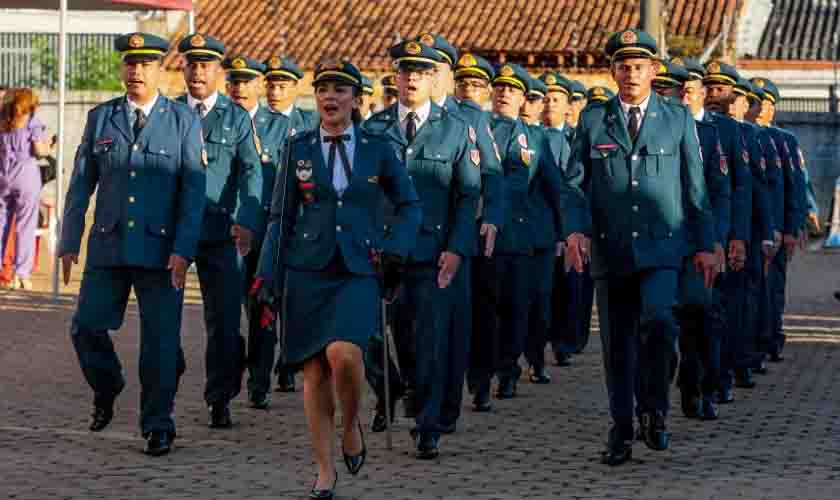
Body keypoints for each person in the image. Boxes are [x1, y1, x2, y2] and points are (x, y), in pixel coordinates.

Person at [254, 59, 421, 499]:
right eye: (324, 89)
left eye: (340, 90)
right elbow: (279, 215)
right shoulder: (297, 148)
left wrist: (396, 251)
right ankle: (325, 469)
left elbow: (410, 205)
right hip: (305, 269)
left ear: (355, 99)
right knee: (313, 372)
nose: (330, 97)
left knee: (346, 357)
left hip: (358, 269)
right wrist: (266, 274)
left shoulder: (379, 148)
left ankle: (352, 426)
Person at [562, 30, 717, 466]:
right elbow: (574, 184)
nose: (631, 73)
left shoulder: (677, 119)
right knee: (617, 346)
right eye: (623, 66)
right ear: (613, 72)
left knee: (659, 325)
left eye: (639, 66)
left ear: (654, 71)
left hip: (662, 248)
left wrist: (704, 244)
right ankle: (622, 428)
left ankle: (654, 409)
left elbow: (695, 188)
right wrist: (575, 230)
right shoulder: (594, 120)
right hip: (611, 251)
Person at [59, 32, 206, 456]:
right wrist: (69, 239)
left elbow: (193, 192)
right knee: (85, 327)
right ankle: (108, 385)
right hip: (108, 245)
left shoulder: (182, 121)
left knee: (159, 344)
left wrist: (184, 249)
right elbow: (80, 182)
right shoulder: (101, 117)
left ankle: (158, 423)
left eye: (145, 63)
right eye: (129, 63)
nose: (135, 70)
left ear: (160, 68)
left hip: (161, 252)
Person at [363, 40, 480, 459]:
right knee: (400, 338)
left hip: (434, 254)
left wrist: (457, 248)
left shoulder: (455, 129)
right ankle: (411, 388)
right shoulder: (374, 130)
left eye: (420, 71)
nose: (411, 78)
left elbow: (468, 196)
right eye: (405, 71)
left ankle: (428, 425)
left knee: (431, 339)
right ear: (394, 77)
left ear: (434, 78)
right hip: (388, 253)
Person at [177, 33, 264, 429]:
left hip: (218, 232)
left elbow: (251, 172)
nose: (197, 71)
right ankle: (168, 371)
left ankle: (219, 397)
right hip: (172, 231)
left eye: (205, 65)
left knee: (225, 321)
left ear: (217, 71)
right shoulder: (169, 113)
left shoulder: (236, 117)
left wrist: (247, 218)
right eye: (191, 64)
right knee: (161, 316)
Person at [469, 63, 564, 409]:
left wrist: (565, 231)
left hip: (515, 238)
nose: (504, 94)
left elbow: (554, 187)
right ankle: (478, 377)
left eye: (513, 90)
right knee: (480, 310)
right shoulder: (472, 127)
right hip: (474, 234)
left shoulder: (534, 138)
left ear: (524, 98)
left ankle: (507, 371)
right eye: (500, 88)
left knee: (513, 309)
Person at [658, 59, 731, 420]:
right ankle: (653, 401)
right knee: (655, 324)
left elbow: (718, 192)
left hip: (692, 244)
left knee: (698, 315)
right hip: (653, 243)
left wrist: (714, 239)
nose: (666, 95)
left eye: (671, 88)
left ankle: (694, 388)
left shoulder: (707, 135)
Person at [224, 54, 292, 409]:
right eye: (233, 81)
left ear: (257, 86)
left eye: (246, 82)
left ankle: (259, 381)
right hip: (223, 232)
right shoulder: (215, 121)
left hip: (264, 234)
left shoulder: (278, 126)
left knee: (262, 308)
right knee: (225, 313)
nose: (238, 88)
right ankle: (232, 369)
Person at [701, 61, 755, 403]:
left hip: (720, 235)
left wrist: (737, 237)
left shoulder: (734, 133)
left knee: (718, 311)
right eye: (710, 88)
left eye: (721, 90)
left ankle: (717, 380)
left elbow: (740, 189)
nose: (714, 96)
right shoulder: (680, 125)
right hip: (685, 235)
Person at [263, 54, 305, 392]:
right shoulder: (254, 122)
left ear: (295, 87)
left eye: (282, 85)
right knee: (263, 295)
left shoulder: (309, 124)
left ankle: (288, 359)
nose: (275, 91)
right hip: (262, 221)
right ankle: (262, 368)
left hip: (297, 226)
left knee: (292, 296)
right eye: (271, 84)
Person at [0, 88, 50, 290]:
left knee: (2, 223)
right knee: (25, 226)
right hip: (26, 175)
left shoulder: (3, 120)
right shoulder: (32, 121)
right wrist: (49, 146)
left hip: (3, 174)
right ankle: (21, 274)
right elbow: (39, 151)